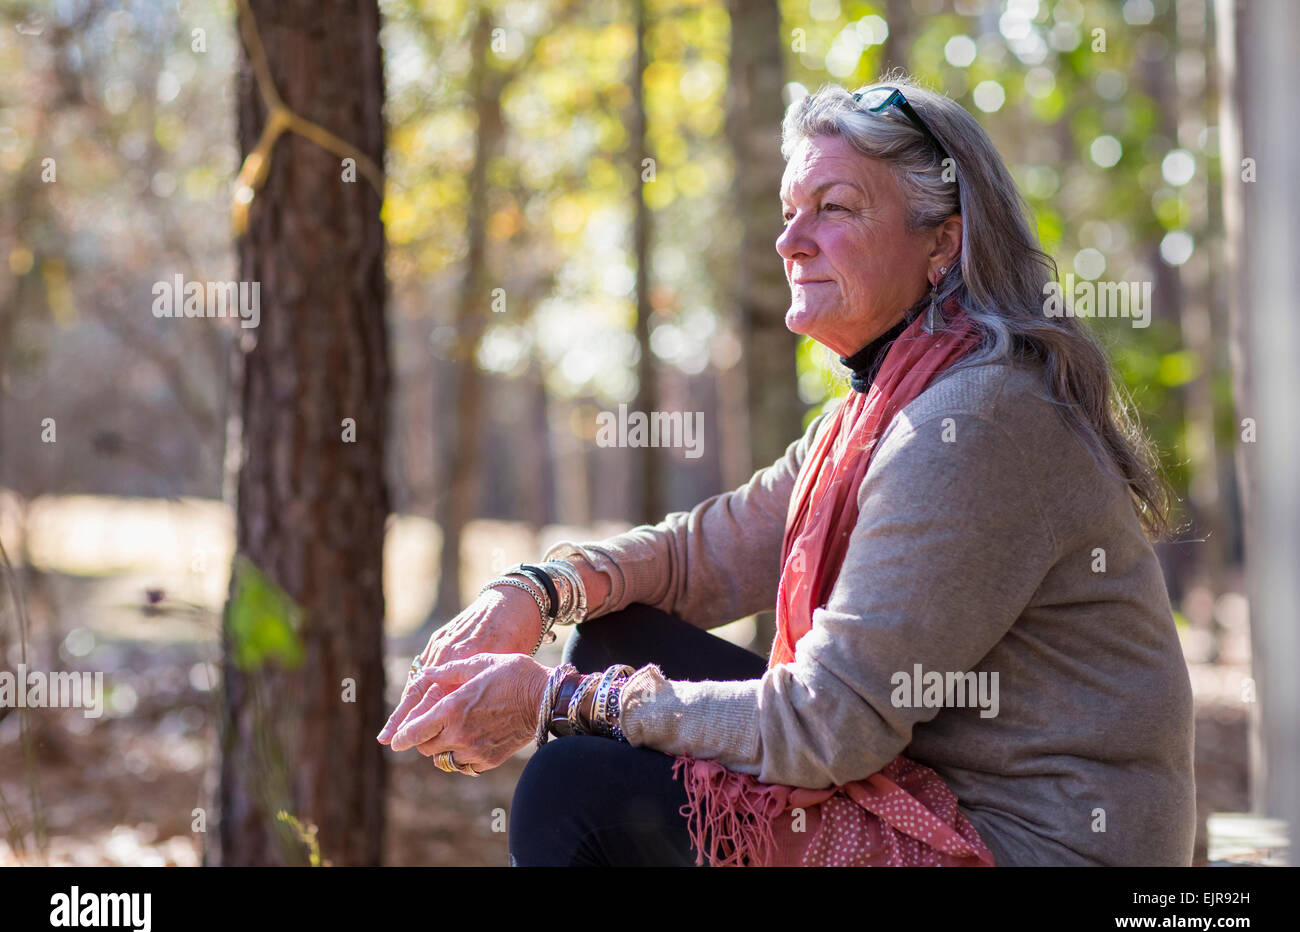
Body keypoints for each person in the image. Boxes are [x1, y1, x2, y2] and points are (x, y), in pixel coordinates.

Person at [376, 76, 1196, 867]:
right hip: (927, 792)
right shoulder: (880, 408)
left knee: (577, 785)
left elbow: (824, 727)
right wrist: (535, 592)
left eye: (834, 209)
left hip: (1029, 847)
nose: (789, 240)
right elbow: (698, 558)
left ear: (942, 241)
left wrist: (556, 701)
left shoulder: (971, 424)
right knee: (615, 634)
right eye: (789, 211)